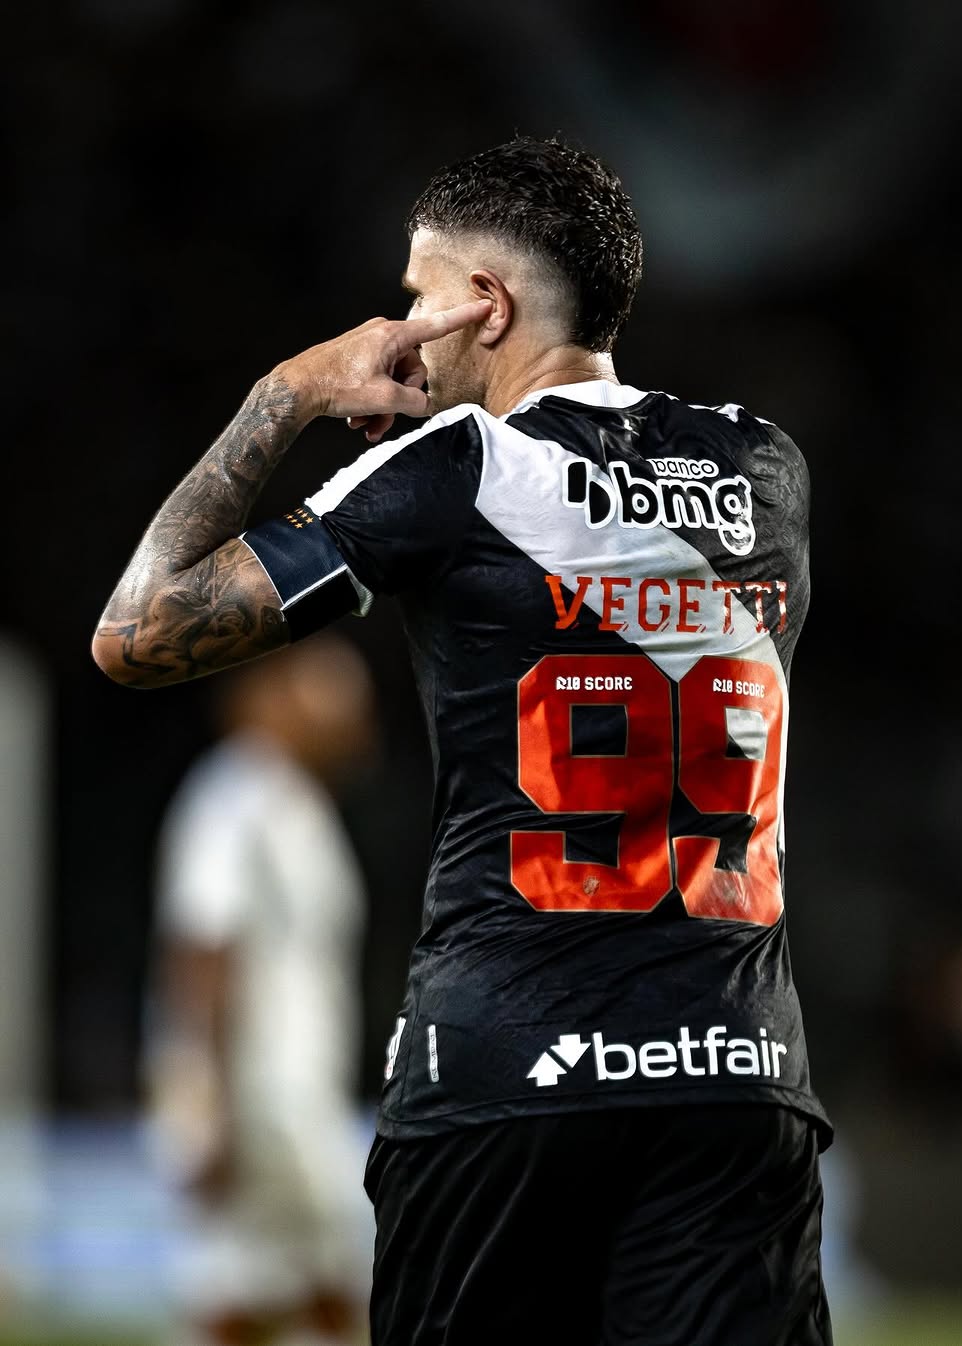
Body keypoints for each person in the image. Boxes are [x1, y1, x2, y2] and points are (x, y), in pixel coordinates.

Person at [94, 135, 833, 1345]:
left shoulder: (458, 467)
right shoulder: (766, 468)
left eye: (416, 295)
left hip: (505, 1078)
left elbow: (135, 629)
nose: (399, 328)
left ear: (485, 304)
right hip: (736, 1075)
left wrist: (288, 389)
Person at [144, 634, 377, 1346]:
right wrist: (205, 1104)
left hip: (296, 1094)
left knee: (300, 1289)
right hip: (256, 1100)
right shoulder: (236, 795)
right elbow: (204, 944)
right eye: (331, 697)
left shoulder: (294, 803)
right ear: (272, 700)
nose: (350, 719)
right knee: (263, 1290)